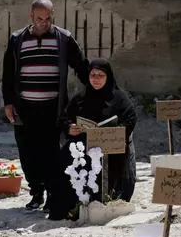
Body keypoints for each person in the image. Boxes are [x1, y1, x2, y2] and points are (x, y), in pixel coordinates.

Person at [2, 0, 90, 211]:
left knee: (51, 152)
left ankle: (52, 194)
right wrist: (9, 103)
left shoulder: (63, 38)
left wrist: (95, 87)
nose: (44, 22)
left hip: (54, 107)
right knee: (28, 151)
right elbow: (8, 74)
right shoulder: (17, 39)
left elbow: (81, 65)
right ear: (31, 16)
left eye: (48, 18)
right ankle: (36, 193)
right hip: (25, 107)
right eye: (39, 18)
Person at [48, 58, 137, 221]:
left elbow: (130, 120)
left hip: (111, 148)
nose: (96, 79)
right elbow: (64, 118)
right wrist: (70, 128)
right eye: (93, 75)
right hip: (84, 145)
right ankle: (71, 207)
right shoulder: (81, 97)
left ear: (108, 77)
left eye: (100, 75)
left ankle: (107, 202)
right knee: (64, 160)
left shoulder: (120, 99)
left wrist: (114, 133)